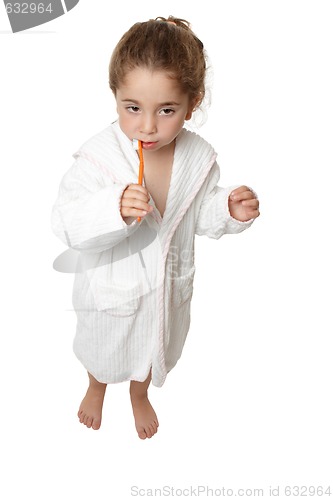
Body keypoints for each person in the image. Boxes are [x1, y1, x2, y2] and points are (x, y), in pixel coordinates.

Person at [51, 16, 260, 440]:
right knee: (103, 347)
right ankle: (96, 388)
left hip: (166, 289)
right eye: (133, 108)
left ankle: (139, 394)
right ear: (115, 98)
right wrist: (112, 208)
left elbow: (198, 214)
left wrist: (226, 208)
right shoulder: (98, 158)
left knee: (152, 348)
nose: (147, 126)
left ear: (193, 102)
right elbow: (66, 221)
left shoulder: (199, 160)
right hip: (112, 290)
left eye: (166, 111)